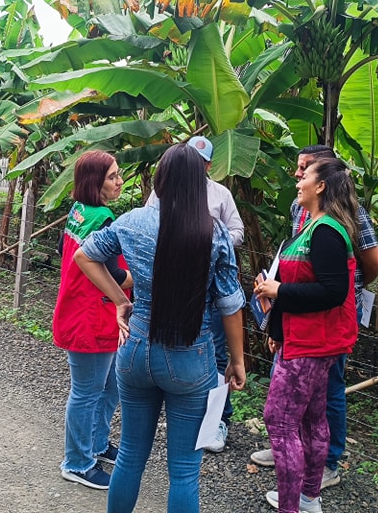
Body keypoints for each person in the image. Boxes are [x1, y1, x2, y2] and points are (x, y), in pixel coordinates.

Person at [74, 144, 247, 513]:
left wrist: (120, 300)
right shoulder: (214, 232)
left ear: (160, 180)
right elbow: (230, 304)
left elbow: (84, 255)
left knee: (130, 456)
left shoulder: (132, 220)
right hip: (191, 358)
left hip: (135, 349)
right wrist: (237, 360)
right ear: (199, 183)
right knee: (184, 472)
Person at [252, 145, 378, 489]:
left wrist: (350, 286)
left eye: (305, 169)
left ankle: (326, 463)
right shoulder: (301, 208)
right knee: (295, 397)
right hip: (296, 311)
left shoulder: (343, 216)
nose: (297, 176)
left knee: (328, 390)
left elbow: (372, 265)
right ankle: (292, 449)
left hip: (327, 318)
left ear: (325, 179)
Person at [146, 135, 244, 452]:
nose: (195, 166)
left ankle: (218, 420)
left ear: (209, 165)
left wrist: (207, 240)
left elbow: (237, 231)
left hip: (209, 285)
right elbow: (149, 226)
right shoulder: (161, 194)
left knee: (216, 355)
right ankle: (184, 412)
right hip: (172, 284)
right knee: (176, 344)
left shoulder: (220, 194)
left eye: (201, 162)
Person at [54, 151, 133, 491]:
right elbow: (115, 273)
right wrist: (149, 276)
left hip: (87, 310)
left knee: (110, 385)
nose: (120, 181)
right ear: (94, 182)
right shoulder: (102, 219)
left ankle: (97, 443)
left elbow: (62, 250)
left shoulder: (79, 211)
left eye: (118, 174)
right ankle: (77, 462)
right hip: (90, 316)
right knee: (87, 392)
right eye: (112, 176)